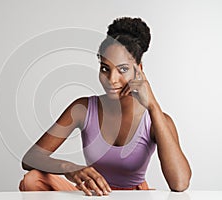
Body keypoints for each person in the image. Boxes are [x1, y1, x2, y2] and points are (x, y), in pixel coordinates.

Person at [19, 17, 191, 196]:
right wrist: (69, 168)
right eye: (105, 68)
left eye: (122, 69)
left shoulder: (155, 120)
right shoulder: (84, 108)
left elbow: (180, 184)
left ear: (139, 69)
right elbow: (30, 158)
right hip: (93, 194)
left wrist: (153, 106)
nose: (112, 79)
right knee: (33, 179)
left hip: (133, 197)